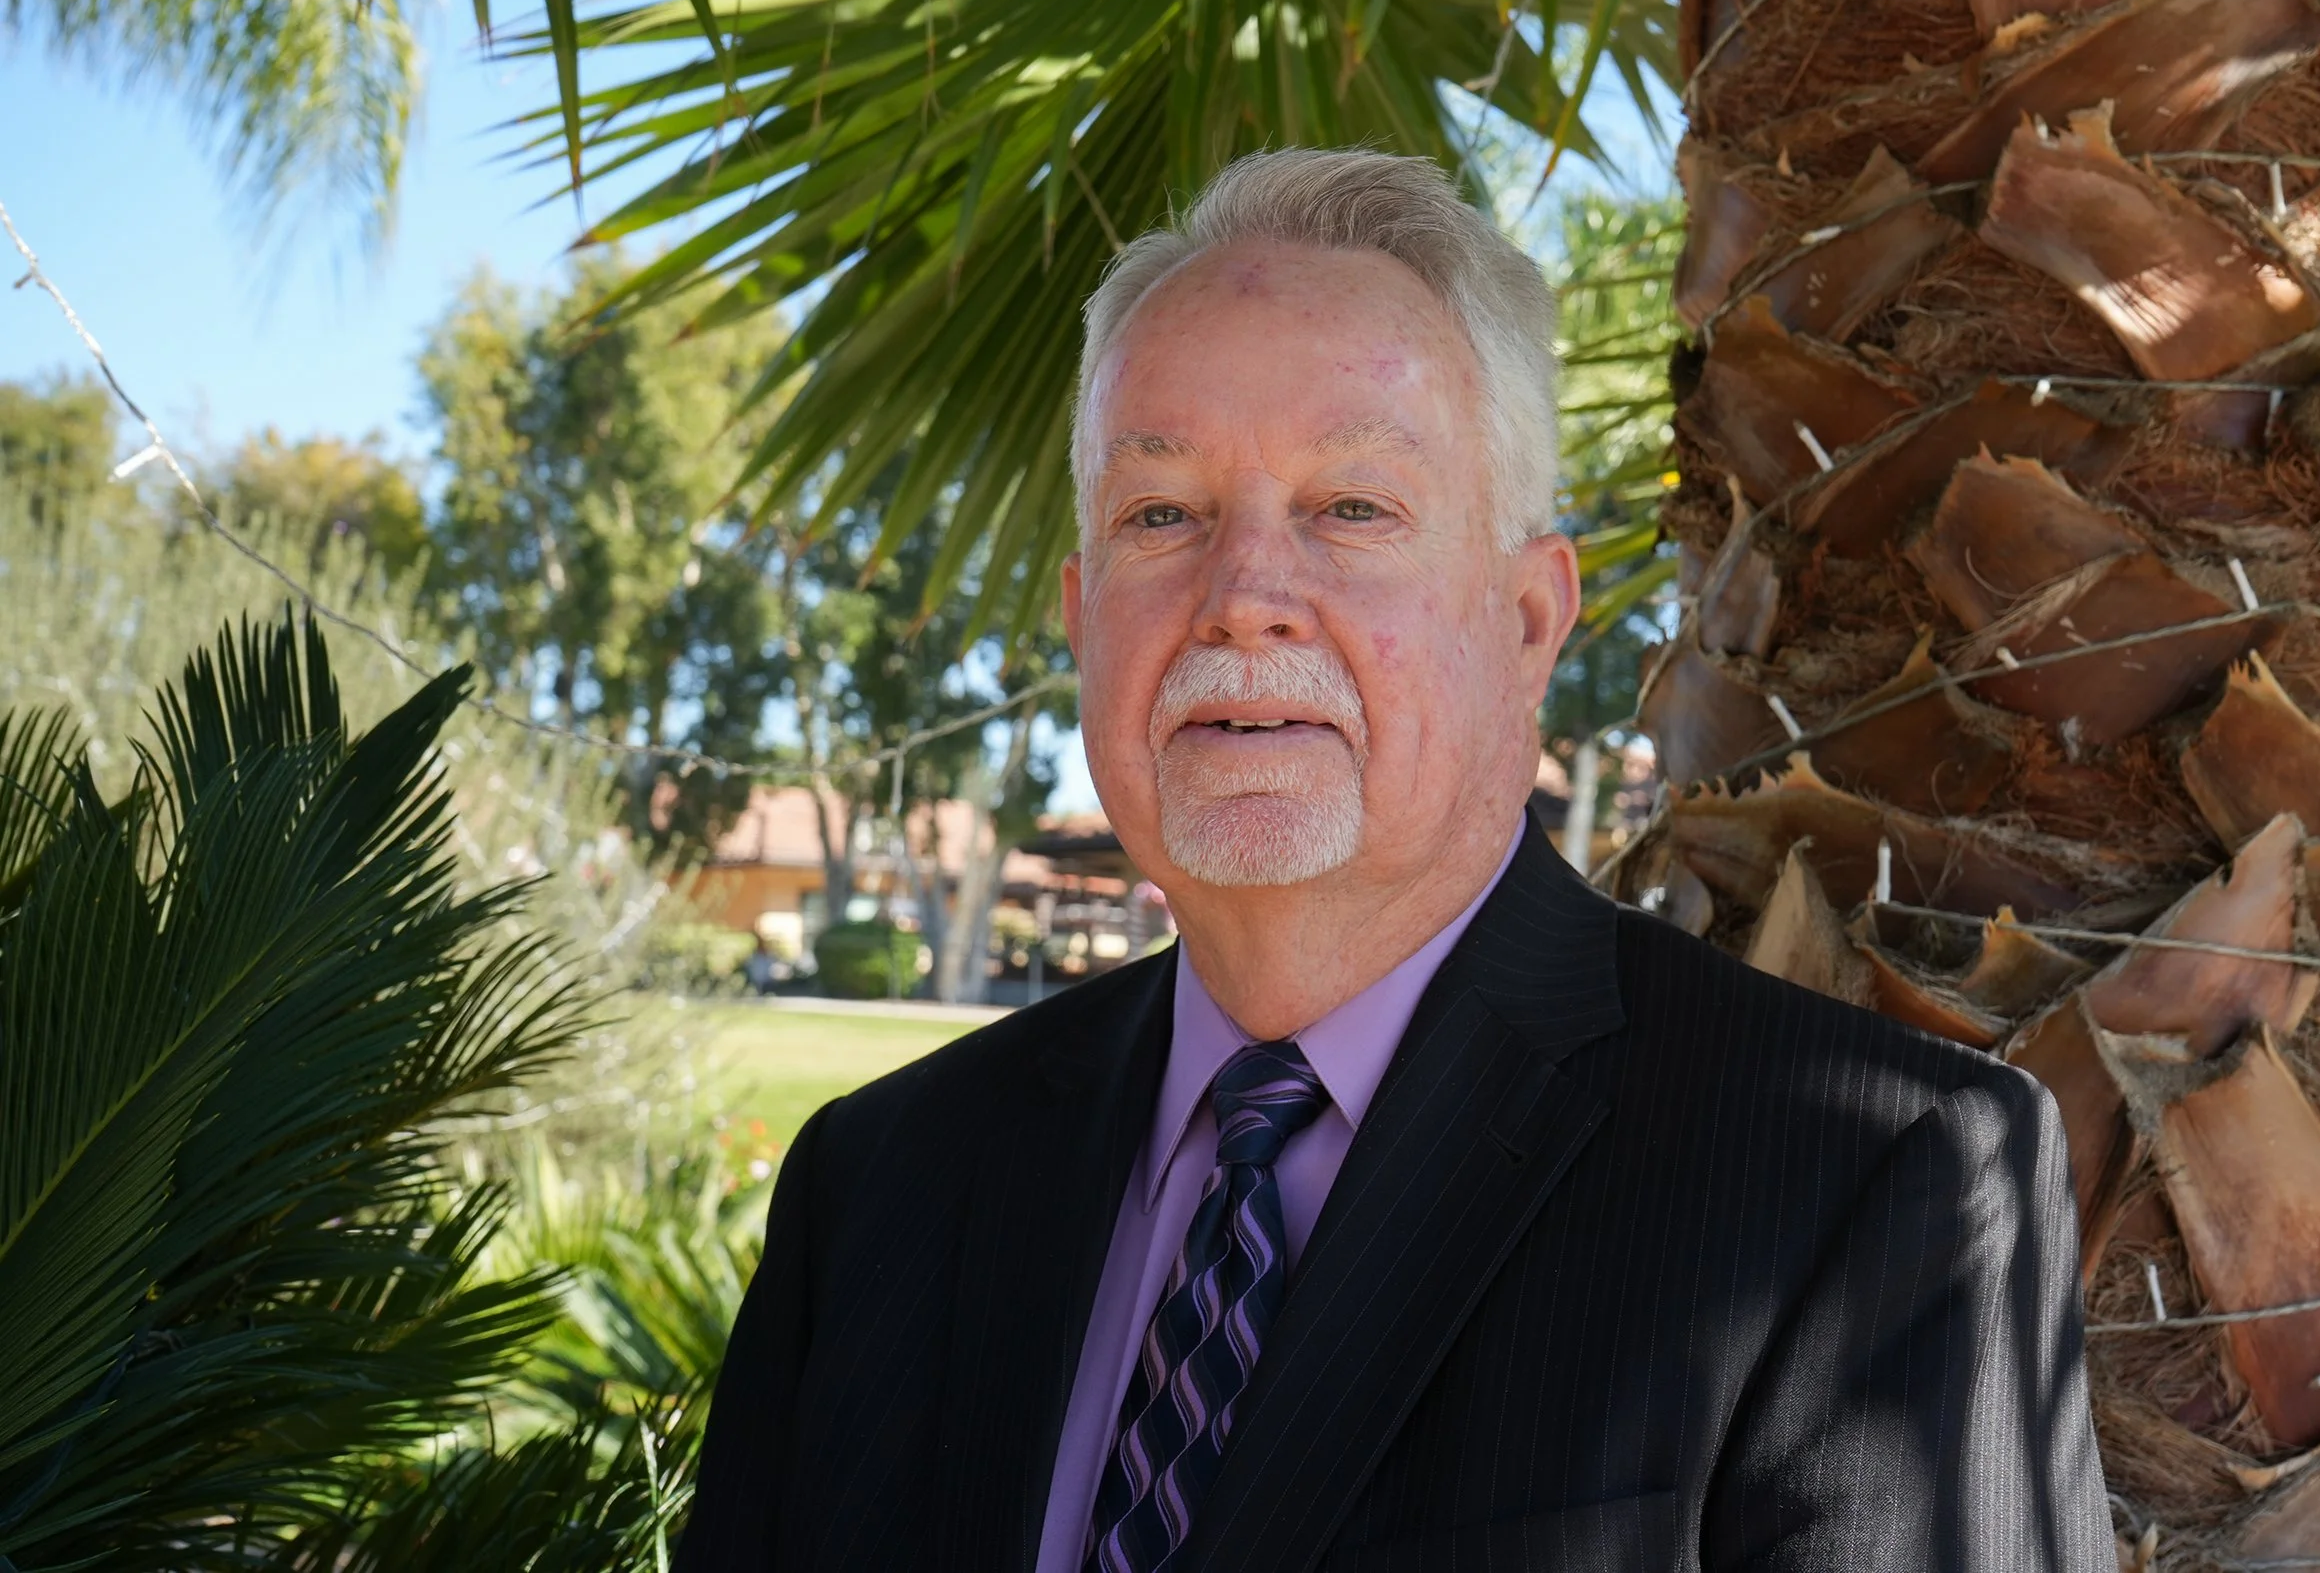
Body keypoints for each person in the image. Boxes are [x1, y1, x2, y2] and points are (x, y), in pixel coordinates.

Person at [682, 148, 2107, 1572]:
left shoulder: (1869, 1184)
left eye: (1352, 509)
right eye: (1160, 514)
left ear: (1529, 622)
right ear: (1081, 615)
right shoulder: (875, 1186)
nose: (1244, 599)